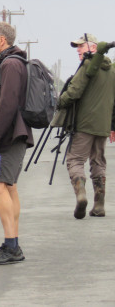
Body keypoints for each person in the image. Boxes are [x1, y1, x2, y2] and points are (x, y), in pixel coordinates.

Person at [0, 21, 33, 265]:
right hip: (11, 133)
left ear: (2, 40)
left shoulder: (10, 64)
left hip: (8, 136)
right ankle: (12, 243)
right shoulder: (11, 63)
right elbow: (3, 102)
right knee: (8, 186)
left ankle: (11, 246)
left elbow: (8, 106)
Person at [57, 34, 115, 218]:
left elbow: (74, 91)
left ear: (94, 47)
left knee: (75, 160)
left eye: (81, 47)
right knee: (98, 162)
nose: (78, 50)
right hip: (103, 125)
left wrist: (61, 101)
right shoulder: (112, 70)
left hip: (83, 124)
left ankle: (81, 194)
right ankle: (99, 205)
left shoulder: (88, 66)